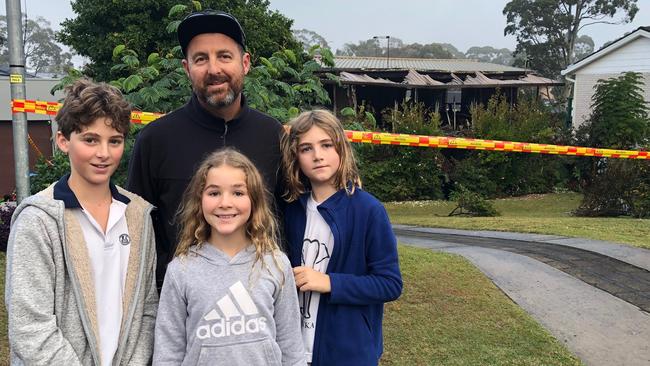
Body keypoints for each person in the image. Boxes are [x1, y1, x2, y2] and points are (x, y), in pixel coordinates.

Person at [127, 10, 285, 289]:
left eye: (225, 56)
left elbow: (289, 221)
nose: (214, 69)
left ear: (245, 63)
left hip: (259, 306)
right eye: (201, 59)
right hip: (181, 310)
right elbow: (139, 233)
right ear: (187, 68)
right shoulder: (155, 140)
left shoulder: (273, 136)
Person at [5, 79, 158, 365]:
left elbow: (147, 310)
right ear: (63, 140)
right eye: (90, 139)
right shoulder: (38, 220)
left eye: (115, 141)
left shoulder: (138, 214)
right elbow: (29, 326)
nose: (104, 153)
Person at [153, 148, 304, 365]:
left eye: (238, 193)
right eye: (214, 193)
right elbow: (168, 353)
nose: (225, 203)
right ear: (199, 200)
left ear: (254, 200)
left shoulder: (276, 265)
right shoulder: (181, 270)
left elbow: (292, 349)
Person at [282, 110, 403, 366]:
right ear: (296, 157)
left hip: (348, 353)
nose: (318, 155)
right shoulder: (291, 210)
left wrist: (329, 282)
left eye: (326, 145)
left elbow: (390, 284)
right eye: (306, 148)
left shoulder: (369, 210)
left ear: (341, 148)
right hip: (296, 352)